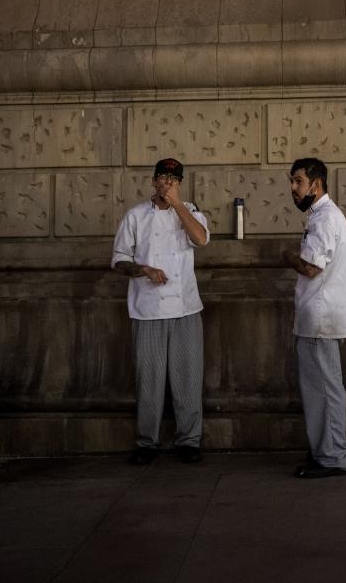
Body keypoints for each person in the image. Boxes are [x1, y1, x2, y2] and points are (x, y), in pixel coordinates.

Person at [112, 158, 210, 464]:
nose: (167, 183)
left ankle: (189, 441)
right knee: (149, 379)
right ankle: (146, 443)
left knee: (188, 377)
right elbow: (119, 259)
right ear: (153, 181)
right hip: (147, 309)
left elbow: (201, 239)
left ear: (179, 183)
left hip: (185, 309)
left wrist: (179, 205)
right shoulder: (136, 216)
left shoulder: (191, 213)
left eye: (173, 179)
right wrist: (143, 268)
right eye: (162, 177)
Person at [281, 157, 346, 478]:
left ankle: (332, 457)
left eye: (298, 181)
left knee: (322, 389)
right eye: (292, 182)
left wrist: (287, 257)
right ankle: (333, 447)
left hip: (320, 317)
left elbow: (312, 267)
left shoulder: (324, 219)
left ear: (316, 184)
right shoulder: (324, 216)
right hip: (321, 316)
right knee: (328, 386)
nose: (293, 188)